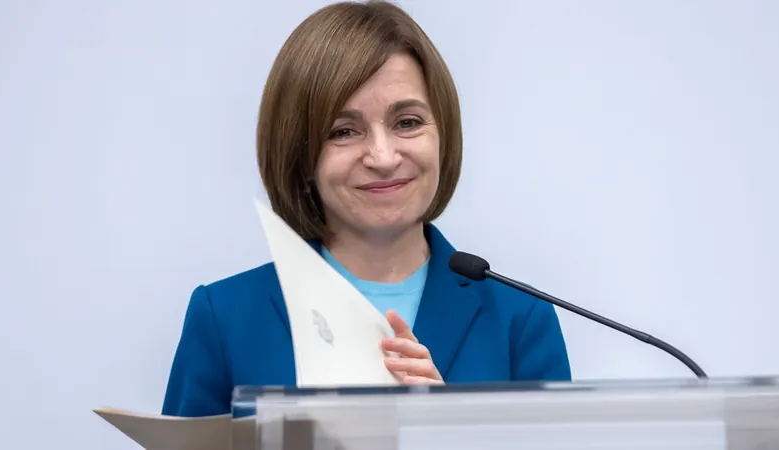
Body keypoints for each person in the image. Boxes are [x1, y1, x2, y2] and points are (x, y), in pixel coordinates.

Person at [162, 0, 571, 418]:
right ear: (300, 157)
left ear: (443, 135)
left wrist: (452, 433)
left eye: (407, 122)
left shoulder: (520, 320)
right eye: (343, 131)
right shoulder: (224, 319)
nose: (383, 157)